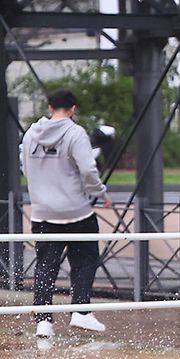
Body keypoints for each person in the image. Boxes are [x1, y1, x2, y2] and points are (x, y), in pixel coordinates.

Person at [19, 88, 112, 339]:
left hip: (42, 212)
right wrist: (100, 193)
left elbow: (26, 169)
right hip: (76, 210)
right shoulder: (75, 133)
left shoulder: (30, 135)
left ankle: (43, 321)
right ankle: (80, 311)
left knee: (46, 266)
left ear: (49, 107)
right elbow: (88, 171)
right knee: (85, 259)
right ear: (73, 109)